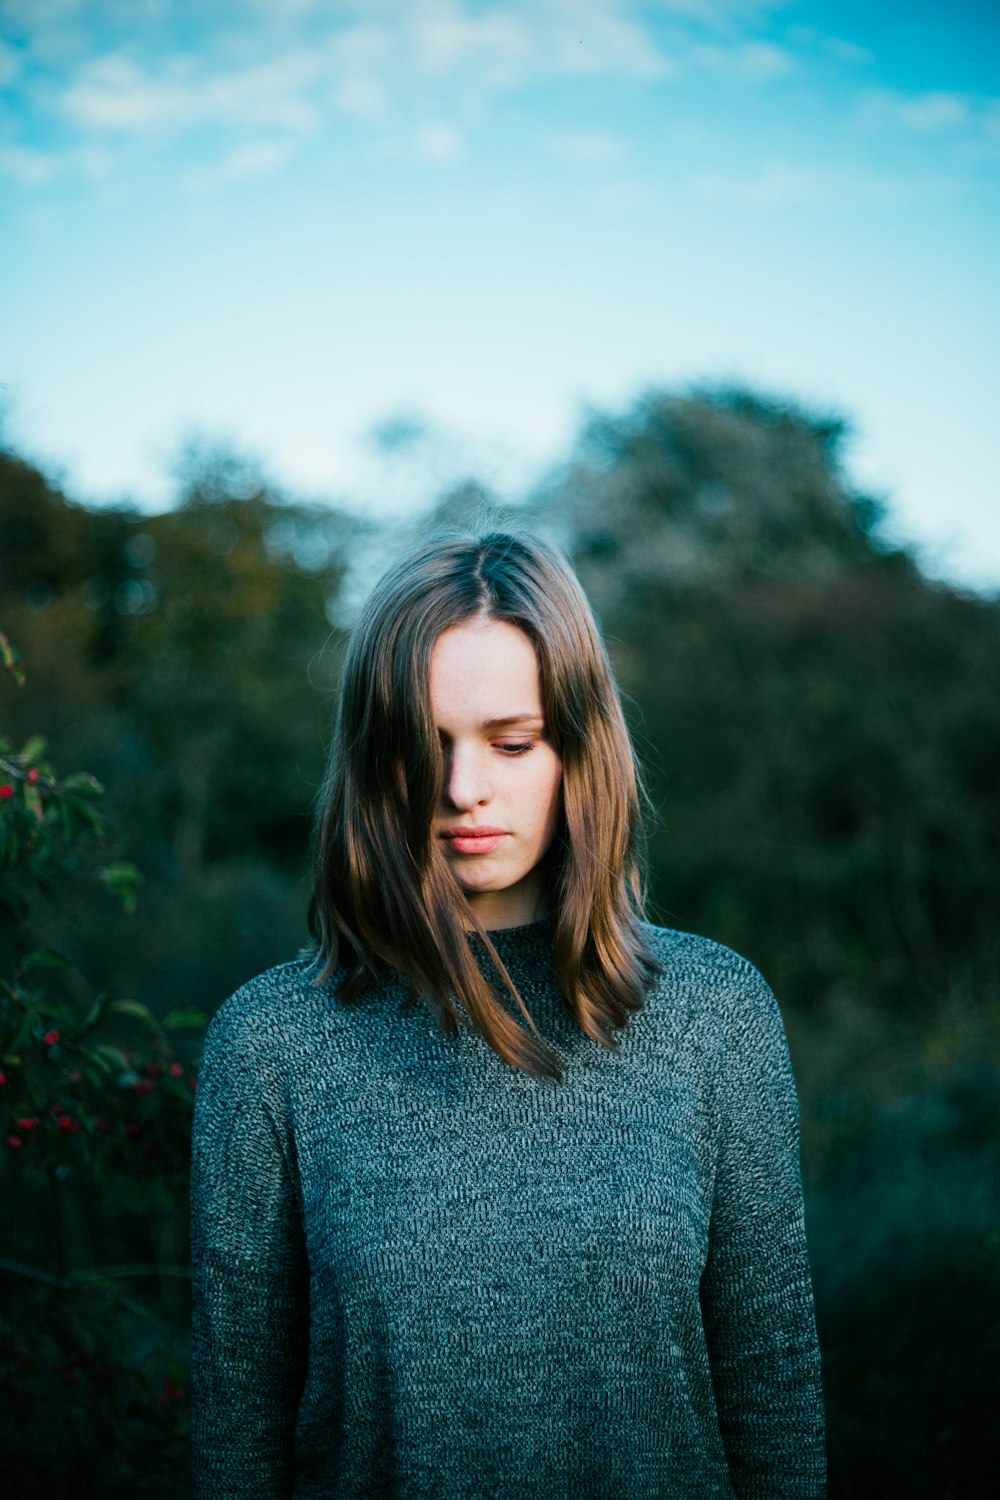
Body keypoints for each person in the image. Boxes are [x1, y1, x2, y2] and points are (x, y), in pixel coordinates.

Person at [190, 529, 826, 1499]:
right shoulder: (274, 1042)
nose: (461, 789)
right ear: (373, 762)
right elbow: (236, 1436)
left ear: (580, 747)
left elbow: (771, 1400)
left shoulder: (713, 1016)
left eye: (511, 742)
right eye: (421, 747)